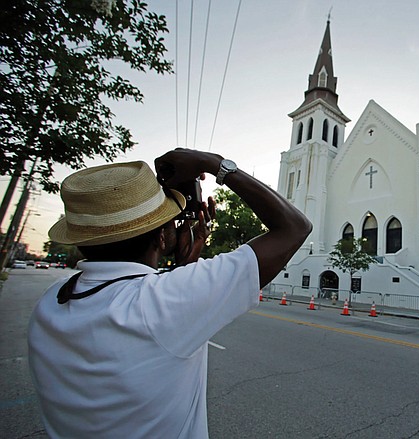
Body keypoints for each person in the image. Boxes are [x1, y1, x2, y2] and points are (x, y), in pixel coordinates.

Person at [28, 149, 312, 438]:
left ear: (81, 242)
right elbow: (295, 228)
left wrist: (182, 268)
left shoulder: (51, 301)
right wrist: (213, 164)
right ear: (162, 237)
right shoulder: (158, 302)